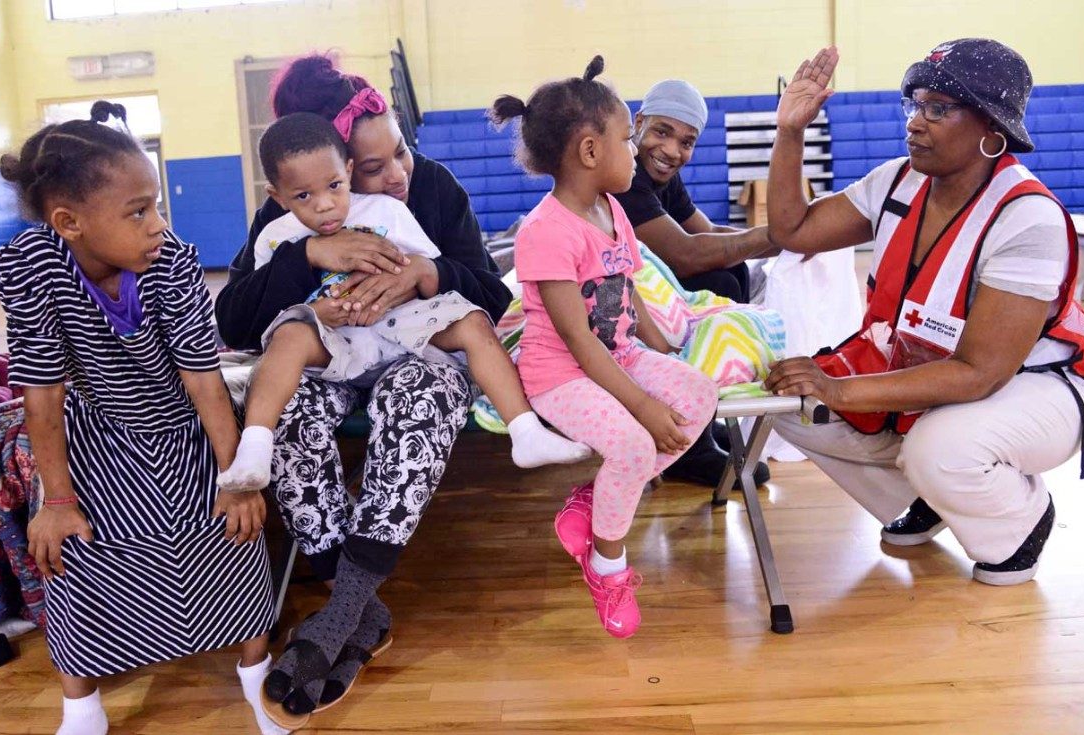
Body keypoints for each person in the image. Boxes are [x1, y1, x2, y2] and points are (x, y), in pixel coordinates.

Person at [213, 52, 513, 725]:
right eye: (372, 168)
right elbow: (232, 318)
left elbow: (492, 293)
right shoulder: (300, 207)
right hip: (330, 353)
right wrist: (308, 256)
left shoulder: (430, 188)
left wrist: (427, 273)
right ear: (334, 169)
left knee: (425, 391)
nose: (394, 174)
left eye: (399, 153)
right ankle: (362, 613)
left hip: (410, 348)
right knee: (287, 404)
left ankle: (340, 616)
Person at [764, 41, 1084, 586]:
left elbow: (981, 373)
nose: (915, 123)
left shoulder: (1028, 219)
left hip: (1042, 387)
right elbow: (794, 230)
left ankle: (1017, 521)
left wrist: (839, 390)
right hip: (937, 372)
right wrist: (790, 132)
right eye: (914, 104)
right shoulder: (898, 181)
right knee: (786, 403)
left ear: (991, 127)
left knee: (941, 447)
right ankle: (937, 498)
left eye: (938, 108)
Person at [0, 102, 280, 735]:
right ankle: (82, 705)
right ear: (68, 223)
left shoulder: (172, 261)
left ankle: (258, 677)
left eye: (156, 205)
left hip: (186, 426)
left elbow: (204, 381)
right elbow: (42, 397)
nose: (158, 224)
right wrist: (58, 498)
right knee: (73, 554)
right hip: (99, 432)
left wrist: (236, 477)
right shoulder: (31, 267)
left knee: (235, 538)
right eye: (139, 211)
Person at [216, 112, 588, 491]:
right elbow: (259, 308)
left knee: (472, 320)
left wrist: (411, 279)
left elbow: (431, 268)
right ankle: (254, 447)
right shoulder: (275, 235)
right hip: (332, 339)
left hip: (396, 326)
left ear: (346, 170)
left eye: (333, 185)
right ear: (278, 196)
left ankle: (525, 430)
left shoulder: (386, 210)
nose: (325, 205)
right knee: (288, 336)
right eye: (304, 195)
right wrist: (311, 302)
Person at [491, 56, 720, 638]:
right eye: (627, 137)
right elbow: (580, 343)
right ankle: (607, 565)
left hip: (616, 356)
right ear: (590, 152)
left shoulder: (613, 208)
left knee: (698, 395)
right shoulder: (544, 231)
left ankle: (589, 503)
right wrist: (641, 405)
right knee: (632, 443)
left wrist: (659, 342)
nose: (635, 149)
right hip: (560, 373)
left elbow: (626, 287)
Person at [613, 79, 777, 489]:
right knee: (721, 273)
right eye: (662, 132)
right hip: (617, 303)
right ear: (639, 122)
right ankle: (686, 441)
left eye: (686, 142)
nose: (672, 151)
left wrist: (779, 237)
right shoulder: (626, 176)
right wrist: (778, 237)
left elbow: (708, 234)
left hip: (645, 294)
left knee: (731, 270)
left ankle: (698, 414)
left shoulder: (662, 176)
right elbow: (686, 253)